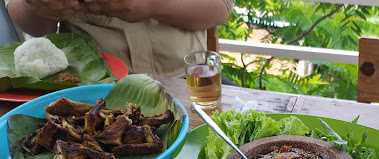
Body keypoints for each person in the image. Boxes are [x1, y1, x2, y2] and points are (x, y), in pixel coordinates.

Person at [5, 0, 233, 75]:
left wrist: (151, 6)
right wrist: (38, 5)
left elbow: (220, 8)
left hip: (186, 80)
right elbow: (31, 23)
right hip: (92, 87)